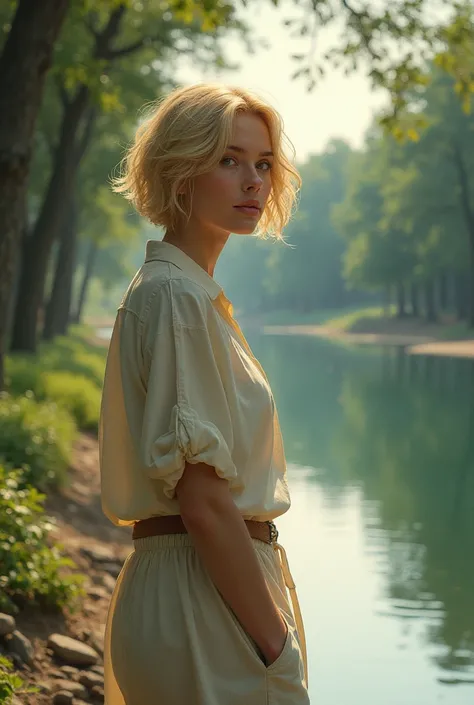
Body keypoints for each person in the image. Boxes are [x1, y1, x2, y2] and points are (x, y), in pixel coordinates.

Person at [99, 83, 309, 705]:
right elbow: (205, 502)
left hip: (204, 591)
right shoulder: (177, 300)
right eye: (228, 159)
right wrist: (273, 642)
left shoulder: (187, 296)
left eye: (264, 163)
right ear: (180, 171)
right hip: (204, 596)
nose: (254, 181)